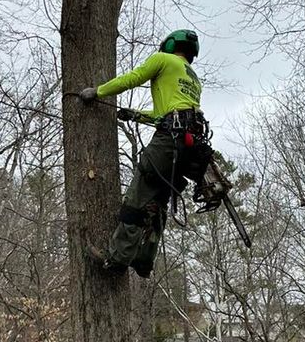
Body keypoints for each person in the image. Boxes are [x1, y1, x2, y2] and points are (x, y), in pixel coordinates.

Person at [78, 29, 211, 277]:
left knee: (138, 198)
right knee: (157, 203)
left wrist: (98, 91)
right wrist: (135, 115)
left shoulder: (163, 59)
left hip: (168, 141)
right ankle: (144, 261)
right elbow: (172, 114)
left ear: (171, 45)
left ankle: (116, 258)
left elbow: (133, 77)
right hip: (189, 148)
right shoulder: (193, 78)